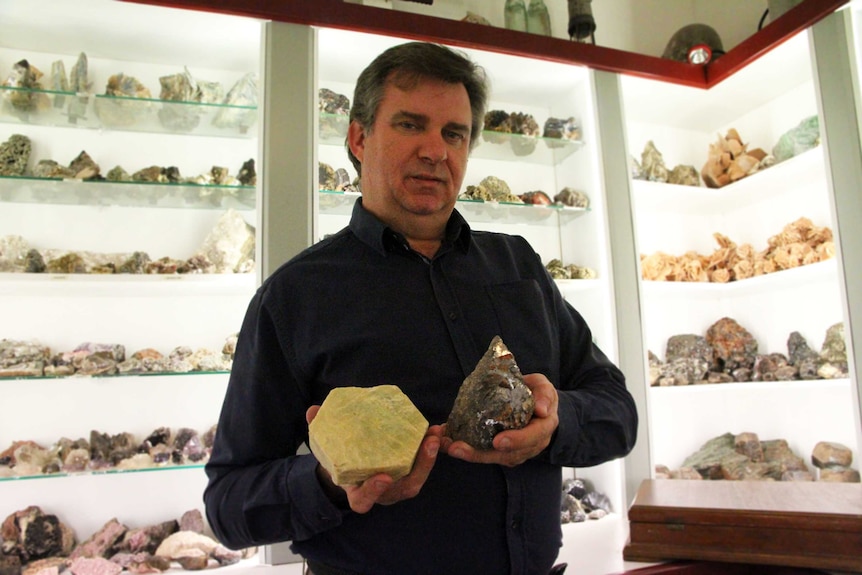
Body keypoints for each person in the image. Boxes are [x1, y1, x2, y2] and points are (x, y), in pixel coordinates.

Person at [203, 40, 638, 575]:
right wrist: (329, 482)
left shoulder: (518, 265)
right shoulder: (295, 296)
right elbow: (228, 505)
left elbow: (618, 412)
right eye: (411, 125)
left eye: (454, 133)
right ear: (359, 138)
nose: (437, 151)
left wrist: (557, 422)